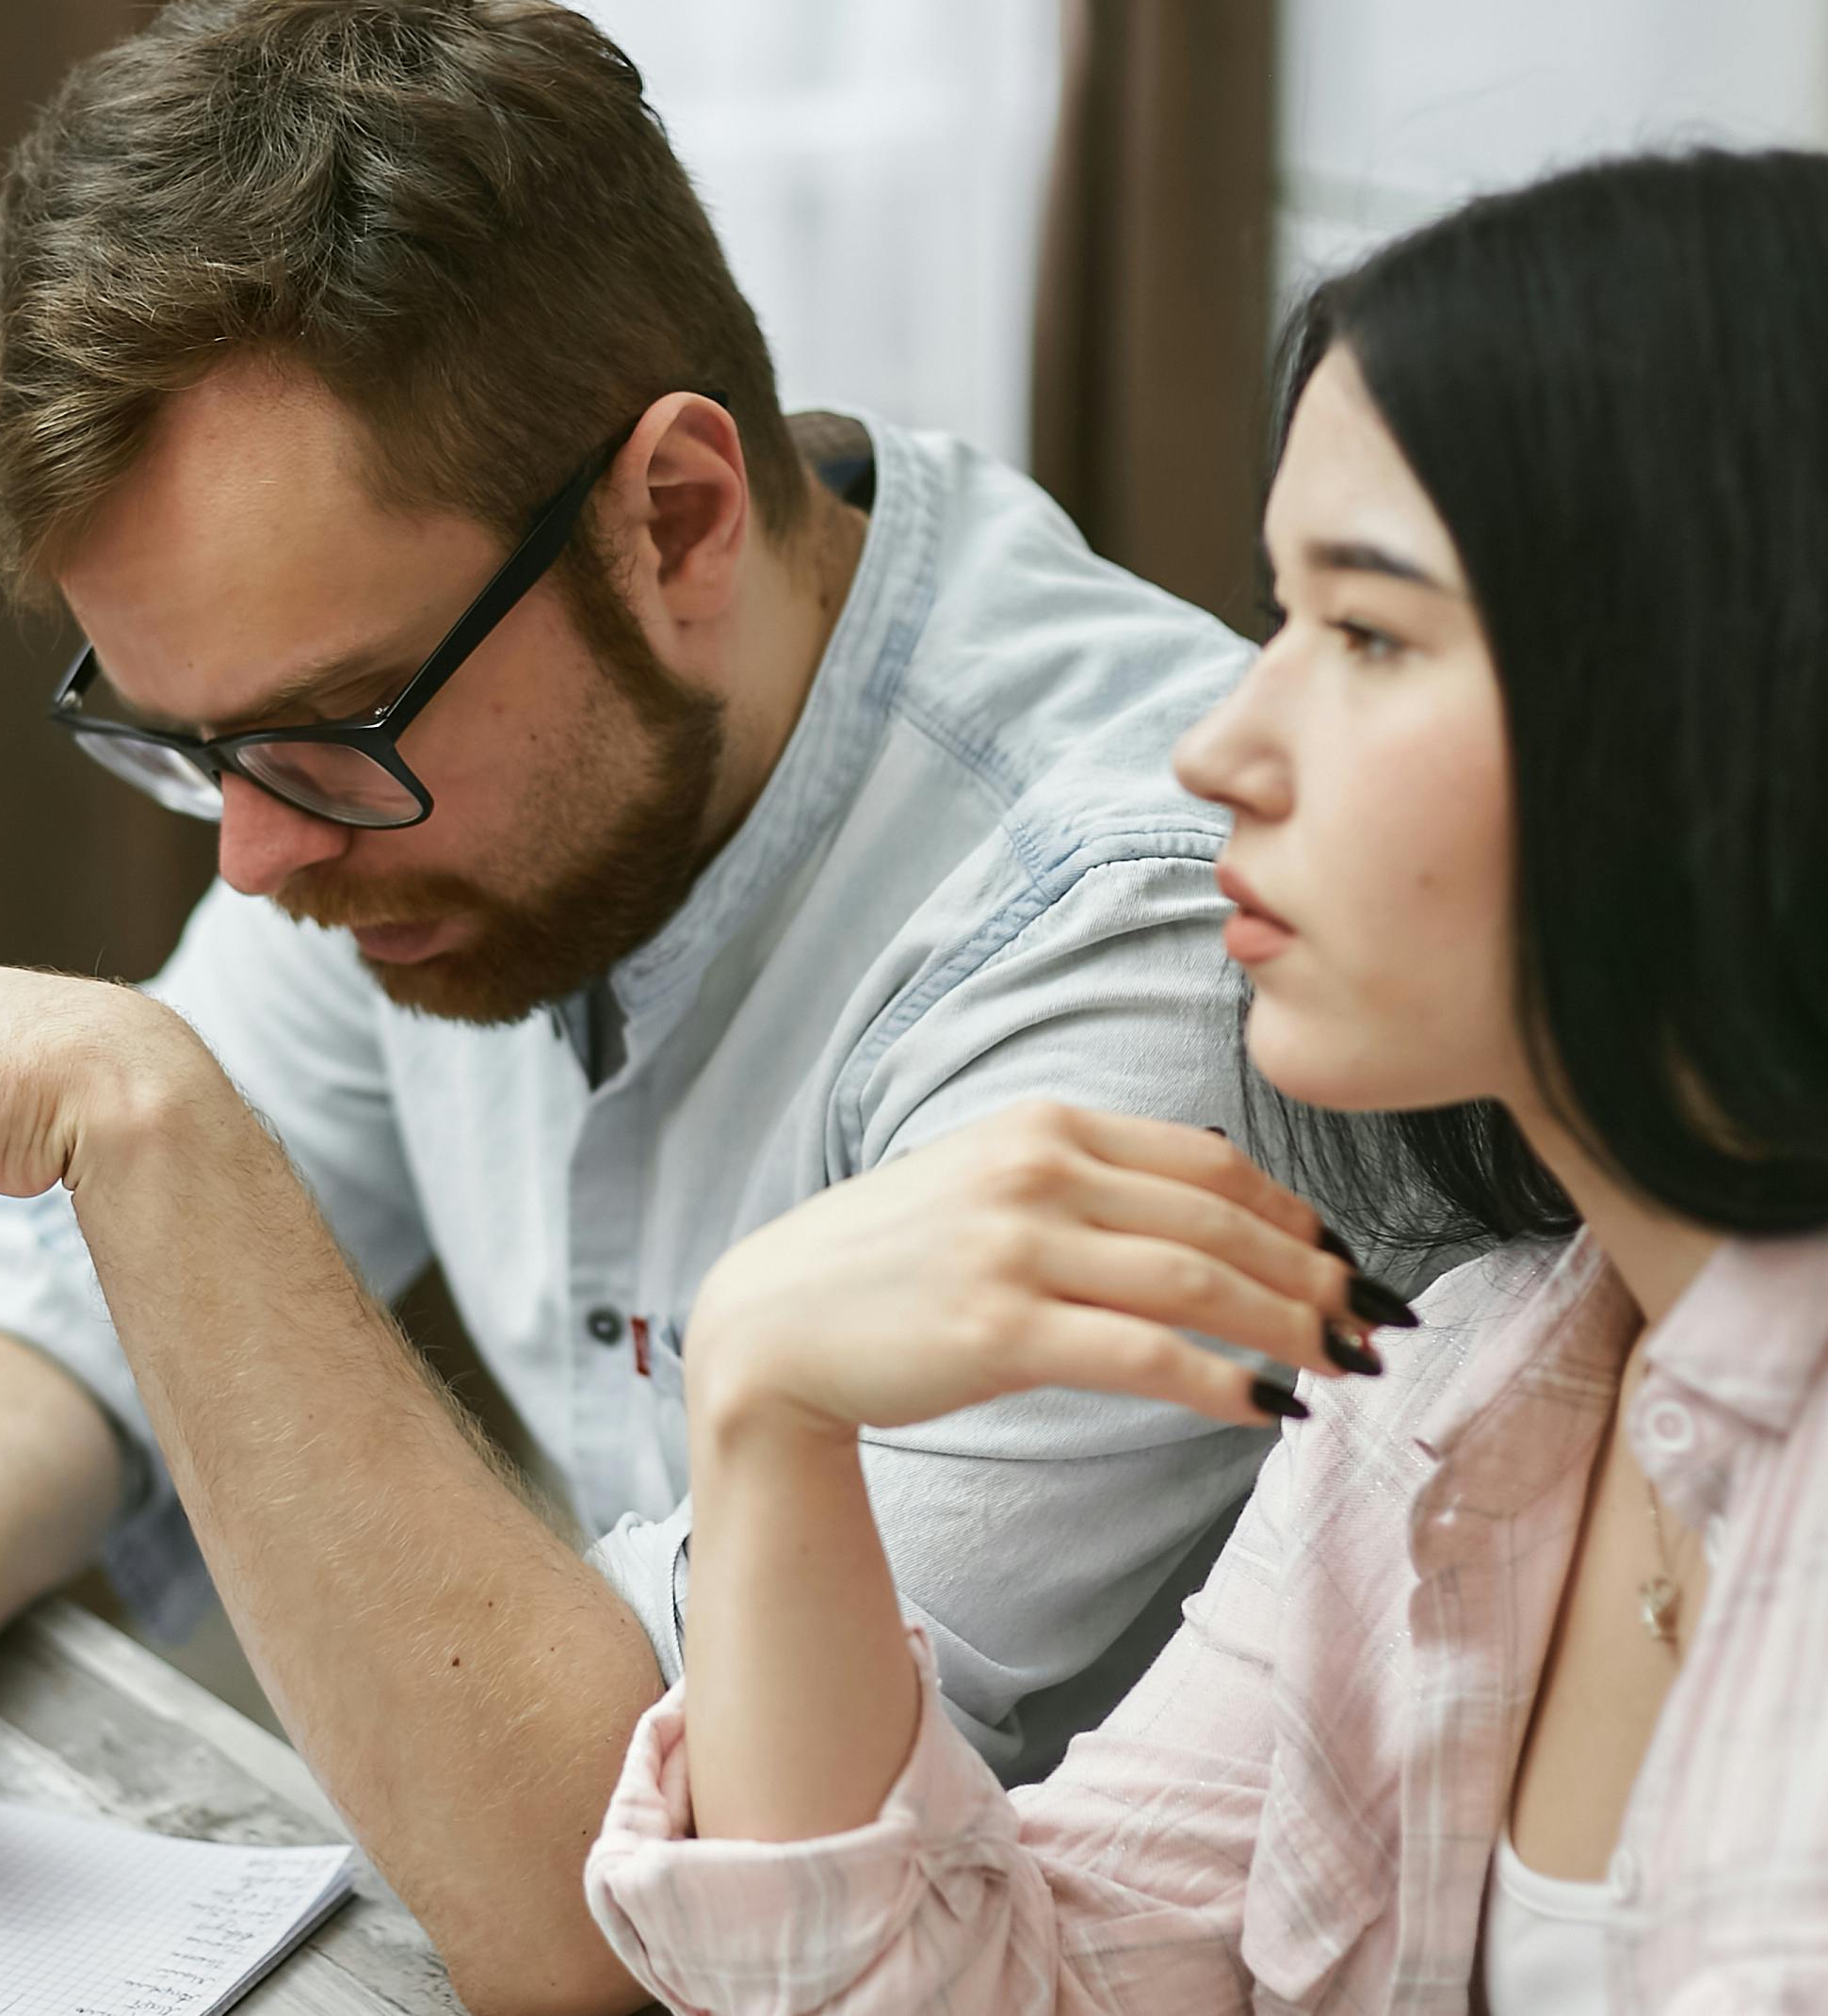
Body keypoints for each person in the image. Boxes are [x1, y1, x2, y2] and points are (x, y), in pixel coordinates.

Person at [0, 5, 1419, 2008]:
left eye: (323, 732)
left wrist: (137, 1113)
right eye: (190, 745)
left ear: (675, 521)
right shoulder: (428, 805)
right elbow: (44, 1328)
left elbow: (622, 1913)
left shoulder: (1141, 945)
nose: (255, 858)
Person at [581, 147, 1828, 2012]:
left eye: (1371, 631)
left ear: (1716, 690)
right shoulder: (1461, 1390)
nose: (1218, 747)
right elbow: (993, 1987)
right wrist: (767, 1413)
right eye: (1279, 618)